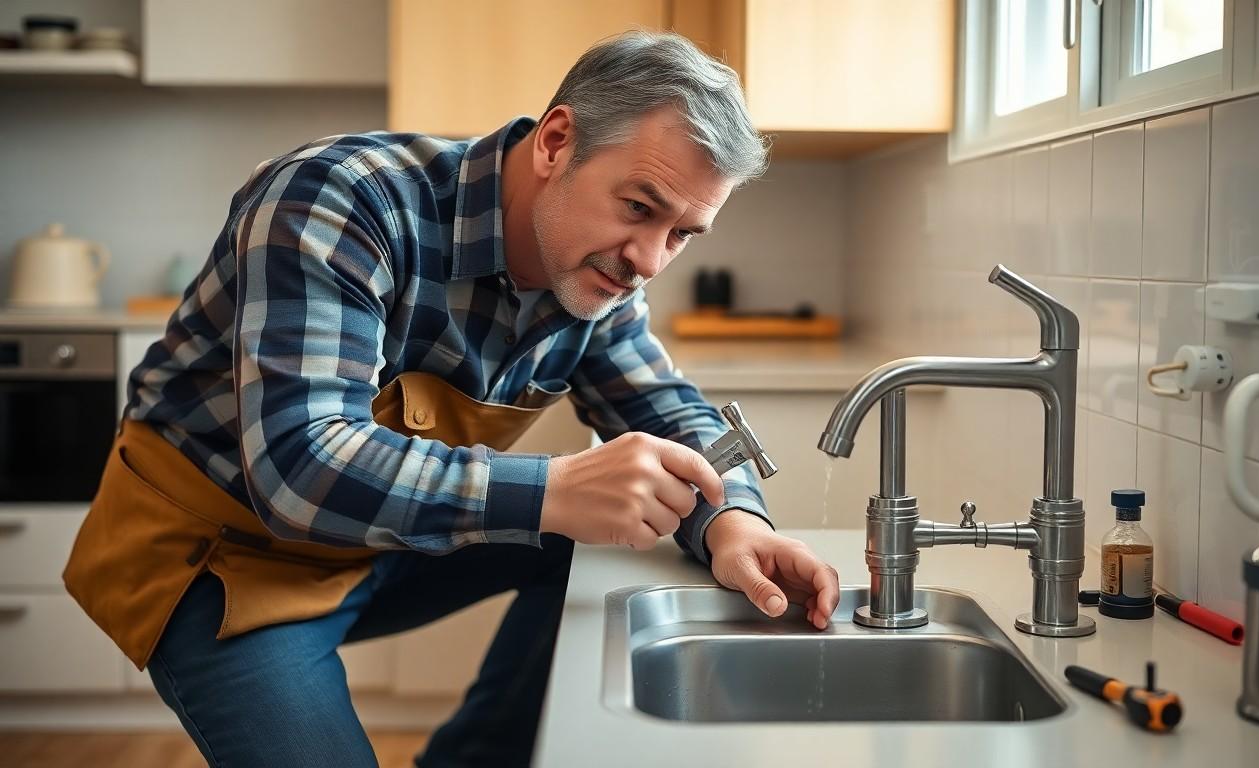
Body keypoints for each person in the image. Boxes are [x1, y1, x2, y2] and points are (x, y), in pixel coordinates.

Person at [63, 31, 840, 768]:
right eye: (639, 207)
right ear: (557, 141)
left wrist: (732, 520)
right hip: (223, 557)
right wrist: (555, 488)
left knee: (628, 528)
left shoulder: (597, 275)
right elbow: (299, 470)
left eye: (681, 236)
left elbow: (670, 412)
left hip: (372, 546)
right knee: (578, 509)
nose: (648, 259)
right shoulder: (344, 198)